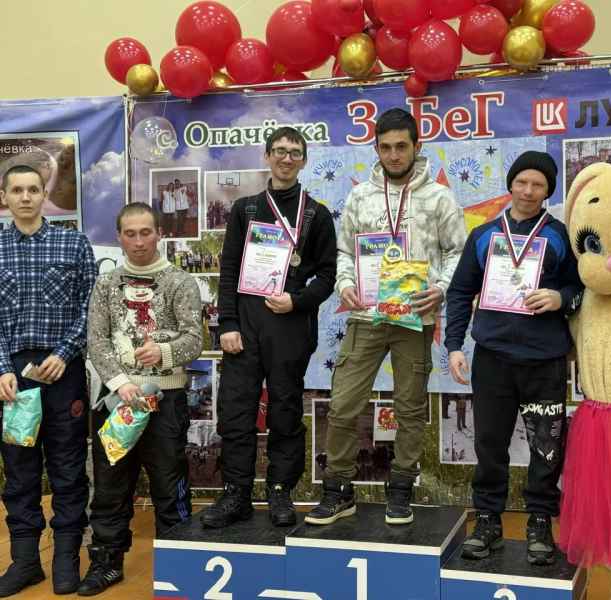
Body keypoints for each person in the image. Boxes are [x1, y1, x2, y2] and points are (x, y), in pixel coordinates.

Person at [305, 108, 466, 526]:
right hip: (367, 315)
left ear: (416, 146)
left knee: (410, 409)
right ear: (376, 148)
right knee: (343, 404)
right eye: (386, 147)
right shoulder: (361, 196)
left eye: (401, 147)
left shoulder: (440, 197)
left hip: (415, 318)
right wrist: (345, 284)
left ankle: (401, 488)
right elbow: (344, 251)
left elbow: (458, 252)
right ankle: (339, 489)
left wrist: (441, 288)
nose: (394, 155)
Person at [444, 151, 582, 564]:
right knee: (489, 443)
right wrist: (454, 345)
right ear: (511, 184)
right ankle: (488, 519)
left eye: (538, 184)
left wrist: (560, 297)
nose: (528, 190)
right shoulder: (484, 235)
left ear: (548, 190)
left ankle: (540, 520)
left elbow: (581, 287)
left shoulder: (560, 236)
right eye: (522, 182)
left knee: (546, 446)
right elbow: (459, 292)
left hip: (544, 360)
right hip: (494, 359)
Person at [202, 126, 337, 529]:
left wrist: (298, 300)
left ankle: (280, 492)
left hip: (290, 325)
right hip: (244, 325)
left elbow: (328, 276)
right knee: (237, 412)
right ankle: (236, 494)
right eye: (279, 150)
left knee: (285, 412)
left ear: (304, 160)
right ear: (266, 156)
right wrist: (227, 323)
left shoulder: (316, 214)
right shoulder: (245, 209)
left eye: (294, 152)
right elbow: (228, 268)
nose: (286, 158)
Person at [79, 202, 202, 596]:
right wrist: (119, 383)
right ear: (119, 237)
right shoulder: (105, 284)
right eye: (130, 233)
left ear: (159, 233)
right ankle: (106, 563)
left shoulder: (181, 282)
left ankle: (179, 566)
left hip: (166, 401)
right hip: (117, 401)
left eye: (145, 232)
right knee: (110, 486)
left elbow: (195, 340)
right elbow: (96, 340)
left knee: (169, 483)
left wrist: (163, 353)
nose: (138, 241)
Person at [0, 164, 97, 596]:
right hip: (13, 377)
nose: (25, 197)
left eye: (33, 189)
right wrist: (1, 367)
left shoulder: (73, 243)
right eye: (17, 190)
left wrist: (64, 352)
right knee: (19, 470)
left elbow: (91, 307)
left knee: (67, 467)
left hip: (64, 371)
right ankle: (25, 562)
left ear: (45, 194)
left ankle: (65, 559)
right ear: (4, 197)